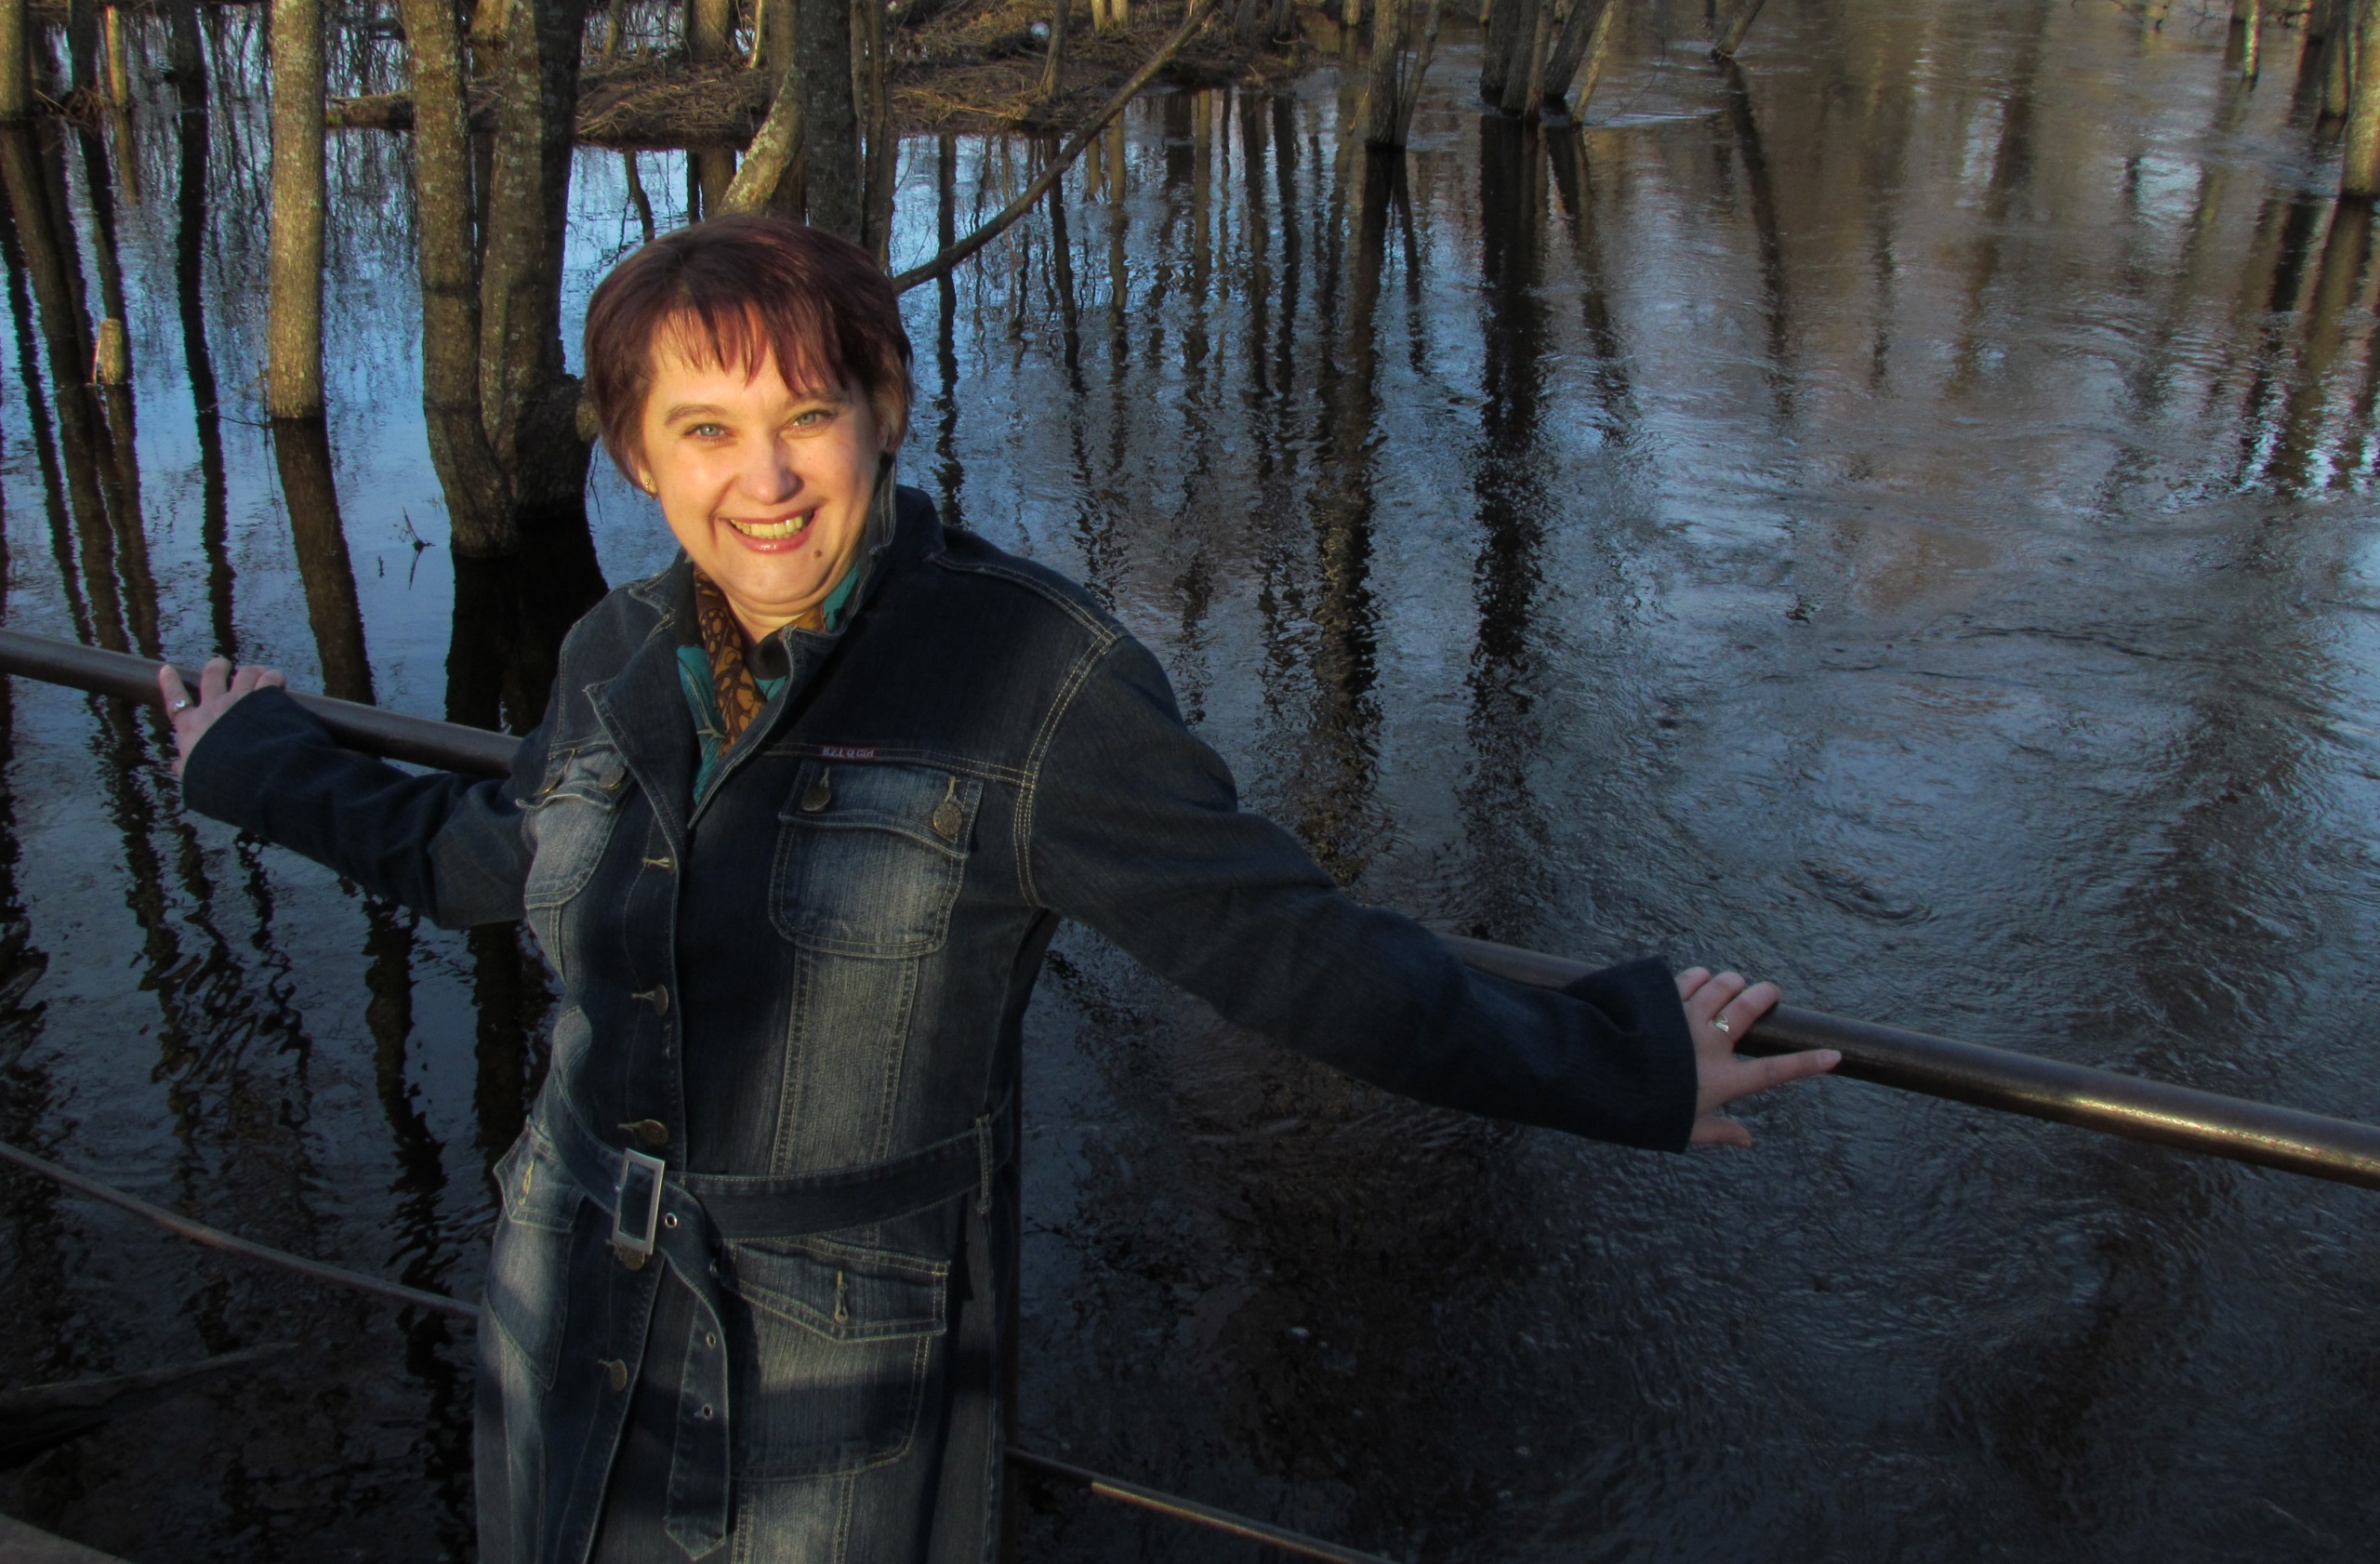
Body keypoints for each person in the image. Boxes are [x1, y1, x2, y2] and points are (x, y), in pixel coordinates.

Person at [160, 217, 1837, 1564]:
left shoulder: (1027, 679)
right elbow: (491, 861)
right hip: (565, 1279)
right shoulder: (614, 652)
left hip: (824, 1353)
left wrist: (1622, 1062)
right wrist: (255, 761)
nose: (767, 481)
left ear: (882, 412)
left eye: (809, 417)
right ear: (637, 461)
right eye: (706, 432)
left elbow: (1288, 951)